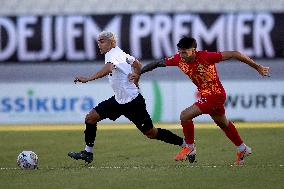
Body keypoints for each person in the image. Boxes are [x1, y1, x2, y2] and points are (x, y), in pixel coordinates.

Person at [129, 36, 270, 165]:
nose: (182, 55)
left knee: (184, 115)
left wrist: (257, 67)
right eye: (180, 51)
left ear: (194, 50)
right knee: (222, 123)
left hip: (215, 95)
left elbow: (234, 54)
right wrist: (138, 73)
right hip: (207, 95)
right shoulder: (178, 59)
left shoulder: (206, 57)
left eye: (185, 52)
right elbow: (157, 63)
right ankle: (242, 148)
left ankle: (190, 147)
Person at [68, 31, 186, 164]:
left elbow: (108, 68)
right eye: (98, 42)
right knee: (90, 118)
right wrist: (136, 79)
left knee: (151, 133)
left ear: (111, 42)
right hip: (118, 100)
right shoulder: (121, 53)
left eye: (102, 41)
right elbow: (138, 65)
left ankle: (185, 144)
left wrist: (87, 79)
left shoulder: (112, 54)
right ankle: (87, 152)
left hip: (132, 103)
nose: (99, 45)